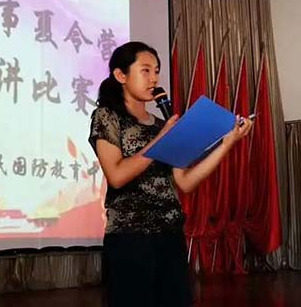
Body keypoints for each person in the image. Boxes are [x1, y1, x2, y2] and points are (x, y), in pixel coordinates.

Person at [88, 41, 253, 307]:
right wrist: (161, 139)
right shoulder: (107, 117)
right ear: (120, 75)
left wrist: (227, 144)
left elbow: (184, 182)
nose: (154, 78)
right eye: (145, 70)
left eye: (156, 71)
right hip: (130, 238)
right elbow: (117, 176)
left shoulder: (161, 125)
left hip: (170, 234)